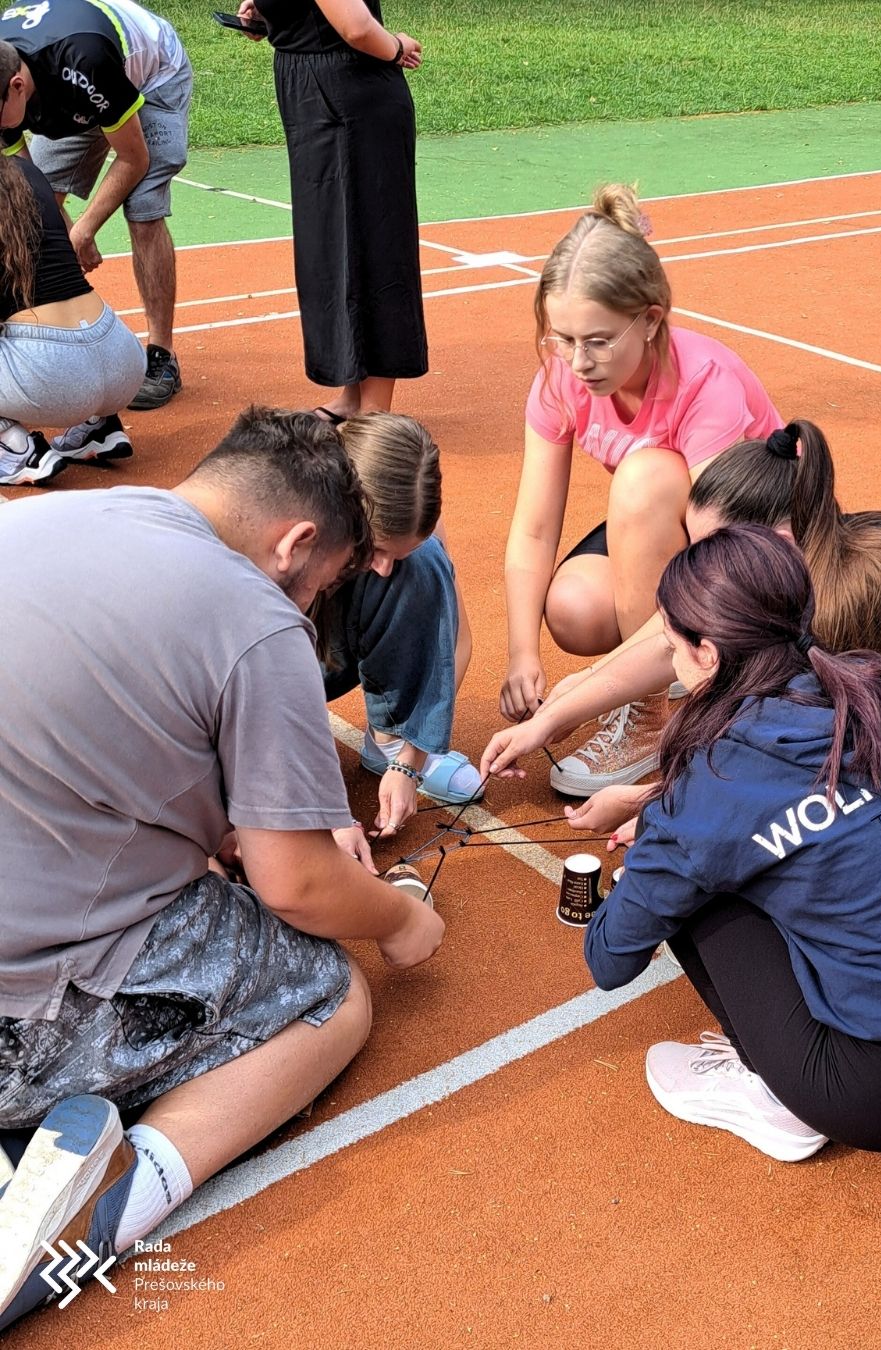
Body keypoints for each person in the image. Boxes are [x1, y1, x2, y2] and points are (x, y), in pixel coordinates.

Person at [0, 407, 444, 1331]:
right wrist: (399, 918)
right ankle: (94, 1212)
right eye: (325, 583)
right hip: (20, 1014)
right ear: (296, 543)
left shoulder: (52, 513)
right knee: (330, 997)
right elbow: (297, 885)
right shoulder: (256, 620)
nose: (313, 604)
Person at [482, 419, 881, 941]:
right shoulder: (813, 556)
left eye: (717, 550)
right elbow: (674, 636)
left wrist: (662, 806)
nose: (702, 568)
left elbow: (809, 774)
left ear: (780, 543)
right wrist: (551, 719)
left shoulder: (848, 612)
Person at [580, 525, 881, 1161]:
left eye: (672, 647)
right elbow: (828, 808)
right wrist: (666, 813)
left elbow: (609, 960)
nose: (671, 662)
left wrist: (657, 843)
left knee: (696, 886)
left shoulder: (713, 786)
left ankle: (773, 1099)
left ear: (709, 654)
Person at [501, 182, 782, 797]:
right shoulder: (560, 380)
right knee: (573, 606)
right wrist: (523, 652)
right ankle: (659, 679)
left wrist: (589, 688)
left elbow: (723, 553)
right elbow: (534, 528)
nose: (578, 362)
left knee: (645, 477)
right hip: (680, 530)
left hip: (760, 551)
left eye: (598, 341)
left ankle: (657, 711)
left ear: (650, 320)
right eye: (562, 339)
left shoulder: (705, 382)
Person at [235, 0, 426, 420]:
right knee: (332, 244)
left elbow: (357, 28)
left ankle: (374, 413)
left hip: (351, 95)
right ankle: (352, 395)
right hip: (316, 93)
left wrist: (396, 47)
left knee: (372, 245)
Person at [0, 1, 190, 410]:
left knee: (143, 210)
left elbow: (134, 158)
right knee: (27, 209)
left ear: (16, 86)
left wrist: (83, 232)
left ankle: (162, 355)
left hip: (150, 77)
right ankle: (61, 331)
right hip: (70, 92)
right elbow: (26, 188)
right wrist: (65, 232)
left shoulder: (85, 59)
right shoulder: (6, 78)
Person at [319, 412, 481, 833]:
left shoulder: (411, 523)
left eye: (397, 552)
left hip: (324, 652)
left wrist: (410, 759)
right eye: (376, 548)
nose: (385, 569)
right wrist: (323, 808)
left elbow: (452, 643)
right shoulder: (277, 533)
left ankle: (388, 739)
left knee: (420, 563)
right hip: (250, 681)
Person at [0, 152, 145, 486]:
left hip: (52, 375)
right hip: (121, 355)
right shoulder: (26, 171)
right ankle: (98, 426)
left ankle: (15, 448)